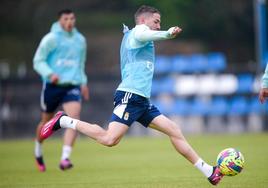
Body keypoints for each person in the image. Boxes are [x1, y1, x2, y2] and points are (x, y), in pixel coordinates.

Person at [40, 5, 223, 185]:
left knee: (173, 130)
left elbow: (147, 36)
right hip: (130, 96)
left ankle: (209, 171)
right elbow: (143, 33)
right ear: (143, 20)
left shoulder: (141, 37)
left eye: (160, 23)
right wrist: (167, 33)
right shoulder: (138, 32)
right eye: (156, 21)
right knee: (110, 139)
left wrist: (163, 33)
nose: (159, 26)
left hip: (141, 101)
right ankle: (63, 121)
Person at [33, 9, 89, 172]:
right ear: (59, 21)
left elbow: (81, 64)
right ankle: (38, 148)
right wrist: (50, 74)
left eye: (72, 18)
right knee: (45, 121)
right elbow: (38, 61)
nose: (70, 22)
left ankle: (65, 158)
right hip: (52, 86)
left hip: (72, 86)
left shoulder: (80, 40)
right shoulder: (50, 39)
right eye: (66, 19)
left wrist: (83, 83)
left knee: (74, 118)